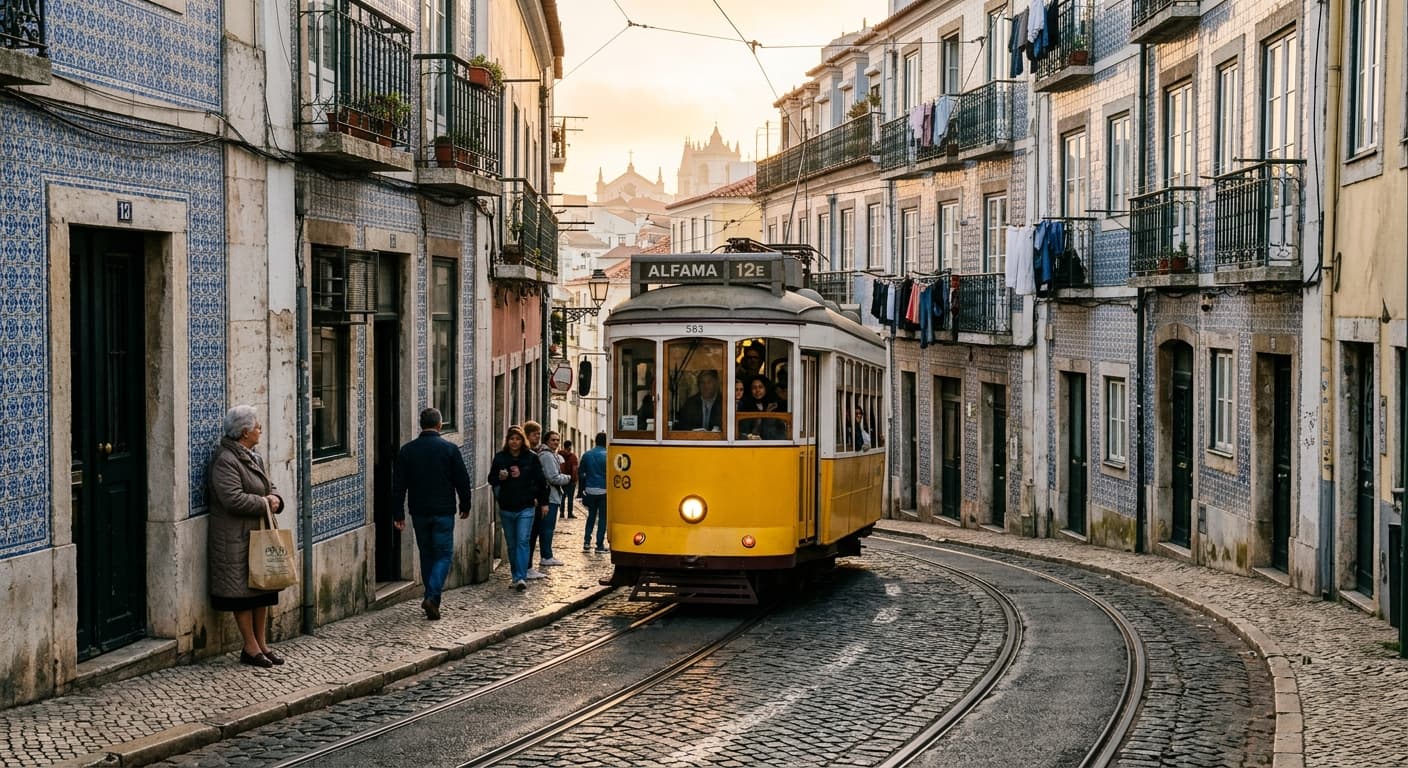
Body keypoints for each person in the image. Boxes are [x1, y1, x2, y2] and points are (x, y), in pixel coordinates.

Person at [207, 405, 286, 668]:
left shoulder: (254, 456)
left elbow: (267, 484)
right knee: (241, 594)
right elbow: (232, 499)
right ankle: (249, 647)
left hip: (256, 533)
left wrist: (274, 497)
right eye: (256, 426)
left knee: (261, 590)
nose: (260, 429)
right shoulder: (225, 460)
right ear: (244, 432)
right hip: (234, 538)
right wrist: (265, 501)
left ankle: (262, 644)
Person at [391, 407, 473, 620]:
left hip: (418, 511)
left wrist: (398, 513)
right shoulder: (450, 449)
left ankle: (431, 598)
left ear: (421, 425)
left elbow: (398, 485)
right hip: (443, 511)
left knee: (427, 554)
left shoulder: (407, 450)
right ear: (440, 425)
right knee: (443, 554)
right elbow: (462, 480)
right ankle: (432, 595)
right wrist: (465, 504)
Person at [488, 425, 549, 590]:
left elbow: (541, 481)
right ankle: (516, 576)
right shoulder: (500, 458)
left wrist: (543, 503)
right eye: (511, 439)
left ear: (523, 441)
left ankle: (521, 577)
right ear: (507, 441)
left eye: (517, 439)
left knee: (523, 541)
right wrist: (500, 478)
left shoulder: (531, 458)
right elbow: (491, 479)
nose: (514, 442)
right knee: (512, 544)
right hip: (507, 507)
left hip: (526, 507)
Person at [523, 421, 571, 575]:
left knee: (546, 528)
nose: (556, 442)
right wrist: (568, 478)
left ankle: (545, 556)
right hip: (548, 497)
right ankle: (546, 556)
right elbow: (553, 477)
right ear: (546, 441)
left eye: (558, 440)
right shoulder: (547, 456)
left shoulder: (550, 455)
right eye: (553, 440)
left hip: (550, 496)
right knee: (547, 528)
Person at [578, 432, 609, 552]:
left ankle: (586, 541)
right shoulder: (608, 455)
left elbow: (581, 472)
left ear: (595, 441)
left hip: (590, 489)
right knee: (602, 518)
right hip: (604, 490)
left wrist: (582, 489)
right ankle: (599, 544)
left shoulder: (587, 455)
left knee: (591, 516)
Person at [739, 375, 787, 440]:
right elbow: (745, 431)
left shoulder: (775, 405)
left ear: (766, 388)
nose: (757, 390)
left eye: (760, 387)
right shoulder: (745, 406)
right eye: (754, 388)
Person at [559, 440, 579, 519]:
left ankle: (561, 513)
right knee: (570, 498)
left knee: (562, 497)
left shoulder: (559, 455)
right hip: (570, 480)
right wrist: (574, 479)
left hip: (561, 479)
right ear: (570, 446)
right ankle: (570, 513)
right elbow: (574, 469)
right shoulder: (573, 457)